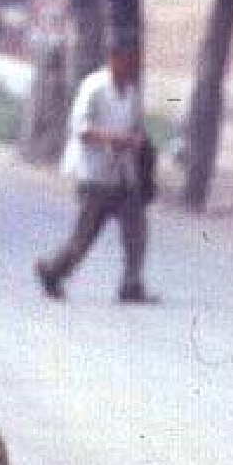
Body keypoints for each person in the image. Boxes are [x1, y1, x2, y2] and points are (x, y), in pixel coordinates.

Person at [33, 37, 157, 305]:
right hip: (94, 174)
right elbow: (81, 128)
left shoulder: (131, 92)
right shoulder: (95, 87)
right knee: (85, 236)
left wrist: (136, 142)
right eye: (127, 62)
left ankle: (131, 284)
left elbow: (135, 128)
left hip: (122, 174)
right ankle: (53, 272)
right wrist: (115, 139)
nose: (131, 68)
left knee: (136, 229)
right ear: (114, 59)